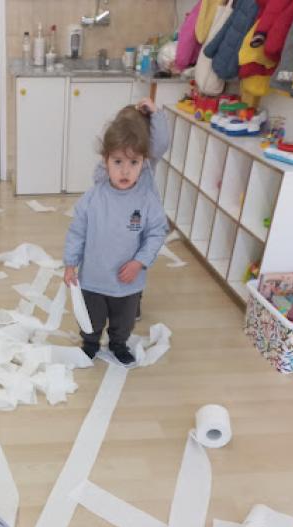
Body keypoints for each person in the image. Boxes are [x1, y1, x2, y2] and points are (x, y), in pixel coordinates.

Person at [64, 104, 168, 365]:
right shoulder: (93, 197)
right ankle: (90, 344)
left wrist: (139, 262)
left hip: (128, 280)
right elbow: (77, 232)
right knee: (91, 318)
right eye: (118, 162)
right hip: (93, 278)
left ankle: (118, 344)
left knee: (124, 320)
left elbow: (157, 232)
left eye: (133, 162)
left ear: (144, 162)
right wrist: (70, 263)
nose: (125, 171)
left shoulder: (146, 198)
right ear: (106, 161)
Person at [93, 98, 171, 321]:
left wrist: (156, 113)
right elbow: (98, 183)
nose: (126, 168)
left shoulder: (146, 160)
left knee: (136, 263)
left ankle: (132, 301)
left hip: (139, 223)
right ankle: (109, 296)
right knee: (114, 260)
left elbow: (162, 142)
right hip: (115, 223)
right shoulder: (108, 165)